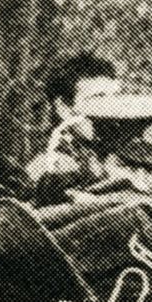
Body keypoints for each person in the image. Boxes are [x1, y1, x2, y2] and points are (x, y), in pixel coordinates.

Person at [26, 51, 123, 199]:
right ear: (63, 108)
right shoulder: (48, 167)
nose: (110, 110)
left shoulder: (121, 156)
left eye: (116, 99)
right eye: (98, 100)